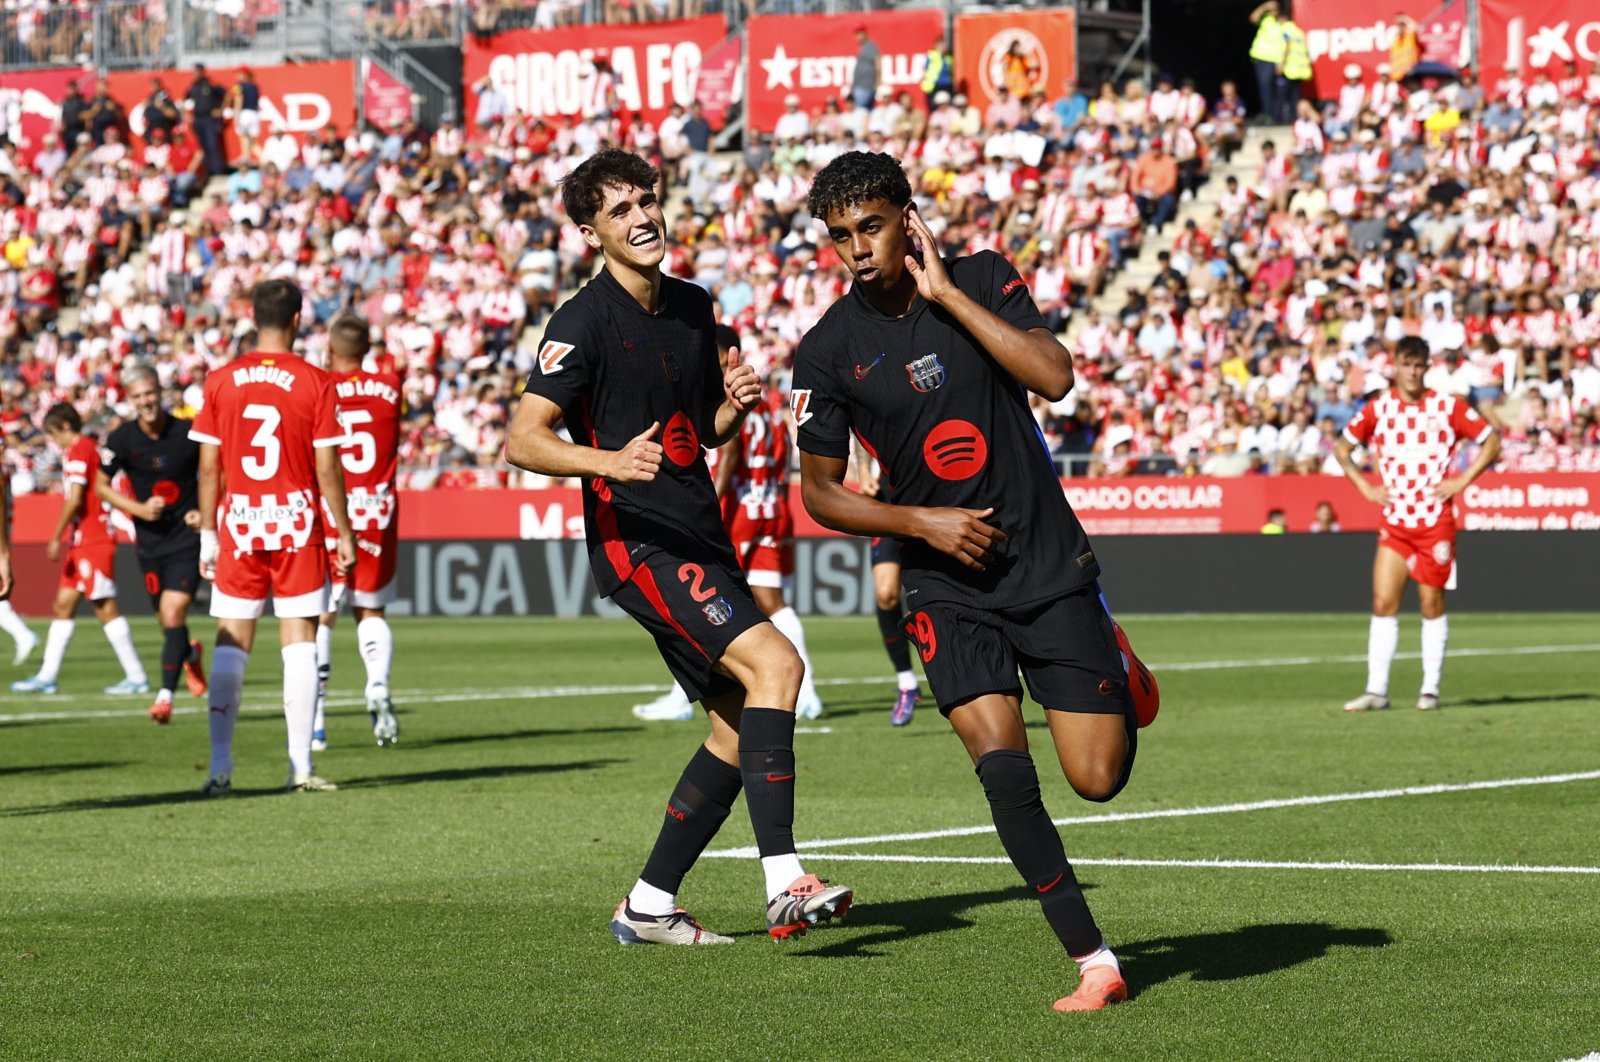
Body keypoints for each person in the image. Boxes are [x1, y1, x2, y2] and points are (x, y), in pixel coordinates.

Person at [792, 151, 1158, 1012]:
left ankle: (1114, 657)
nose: (857, 249)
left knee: (1097, 778)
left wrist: (948, 295)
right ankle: (1095, 960)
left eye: (871, 228)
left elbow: (1056, 379)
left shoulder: (986, 277)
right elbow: (820, 493)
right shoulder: (827, 349)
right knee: (1002, 772)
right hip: (942, 584)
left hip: (1043, 560)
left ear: (907, 219)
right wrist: (923, 525)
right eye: (841, 237)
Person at [504, 149, 852, 945]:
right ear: (591, 232)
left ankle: (650, 903)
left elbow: (698, 437)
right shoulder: (580, 322)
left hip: (700, 531)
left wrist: (729, 410)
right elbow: (524, 439)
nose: (643, 217)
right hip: (639, 544)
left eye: (649, 201)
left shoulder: (695, 308)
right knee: (779, 665)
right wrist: (606, 460)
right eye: (621, 210)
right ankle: (782, 883)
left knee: (735, 730)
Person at [189, 279, 357, 795]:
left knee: (230, 643)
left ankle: (220, 767)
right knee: (299, 642)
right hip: (296, 523)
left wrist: (208, 536)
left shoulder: (220, 380)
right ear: (297, 319)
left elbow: (208, 468)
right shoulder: (315, 381)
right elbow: (328, 469)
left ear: (251, 315)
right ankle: (300, 768)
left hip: (240, 522)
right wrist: (343, 532)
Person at [634, 325, 826, 723]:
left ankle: (682, 695)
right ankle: (807, 694)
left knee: (705, 603)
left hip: (738, 512)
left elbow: (732, 452)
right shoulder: (769, 401)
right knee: (771, 602)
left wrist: (708, 506)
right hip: (771, 508)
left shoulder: (729, 397)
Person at [1334, 336, 1500, 712]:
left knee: (1430, 603)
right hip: (1396, 521)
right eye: (1407, 364)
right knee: (1383, 601)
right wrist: (1365, 486)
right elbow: (1342, 449)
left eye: (1419, 364)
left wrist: (1461, 481)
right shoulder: (1379, 408)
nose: (1413, 371)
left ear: (1427, 367)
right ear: (1395, 366)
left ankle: (1430, 689)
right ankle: (1377, 690)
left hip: (1434, 520)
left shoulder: (1447, 406)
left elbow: (1491, 441)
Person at [96, 364, 208, 723]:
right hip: (150, 544)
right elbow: (99, 486)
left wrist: (203, 512)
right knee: (167, 621)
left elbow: (215, 473)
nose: (145, 401)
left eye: (150, 393)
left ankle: (164, 698)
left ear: (160, 393)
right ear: (129, 400)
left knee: (174, 613)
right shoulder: (122, 439)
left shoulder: (188, 432)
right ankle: (189, 655)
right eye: (138, 396)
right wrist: (138, 509)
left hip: (186, 540)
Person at [12, 404, 150, 697]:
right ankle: (47, 676)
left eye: (52, 434)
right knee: (63, 605)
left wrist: (55, 536)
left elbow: (75, 499)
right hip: (81, 540)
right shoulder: (83, 449)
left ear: (64, 427)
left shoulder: (79, 450)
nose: (53, 441)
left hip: (93, 538)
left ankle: (137, 676)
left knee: (104, 607)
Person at [312, 314, 402, 750]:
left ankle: (315, 720)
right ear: (367, 350)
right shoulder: (390, 387)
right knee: (371, 611)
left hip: (332, 512)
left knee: (321, 616)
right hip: (378, 512)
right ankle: (378, 684)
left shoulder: (318, 388)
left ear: (330, 350)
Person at [855, 445, 922, 726]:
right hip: (887, 500)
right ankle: (907, 683)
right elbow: (860, 427)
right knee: (886, 594)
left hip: (929, 493)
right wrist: (861, 468)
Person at [1247, 0, 1286, 124]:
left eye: (1275, 9)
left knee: (1278, 90)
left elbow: (1285, 44)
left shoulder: (1283, 23)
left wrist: (1281, 62)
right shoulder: (1266, 19)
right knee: (1265, 89)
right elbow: (1252, 18)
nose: (1273, 12)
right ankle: (1267, 115)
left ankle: (1277, 116)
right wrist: (1264, 7)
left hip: (1276, 62)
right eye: (1271, 10)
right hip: (1263, 60)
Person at [223, 68, 261, 165]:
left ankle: (246, 158)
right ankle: (258, 157)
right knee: (253, 142)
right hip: (254, 115)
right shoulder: (254, 86)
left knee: (244, 139)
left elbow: (238, 101)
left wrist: (236, 116)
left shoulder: (238, 87)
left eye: (239, 74)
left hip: (244, 114)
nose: (237, 76)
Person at [850, 25, 881, 111]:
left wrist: (878, 80)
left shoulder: (870, 46)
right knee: (868, 111)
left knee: (859, 110)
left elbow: (878, 62)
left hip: (866, 86)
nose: (858, 36)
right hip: (860, 85)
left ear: (865, 33)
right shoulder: (862, 47)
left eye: (860, 33)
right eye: (857, 34)